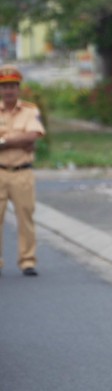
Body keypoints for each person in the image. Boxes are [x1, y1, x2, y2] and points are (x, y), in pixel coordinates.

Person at [0, 64, 45, 277]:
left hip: (22, 172)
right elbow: (25, 139)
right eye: (4, 86)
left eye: (12, 86)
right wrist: (19, 141)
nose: (8, 90)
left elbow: (32, 137)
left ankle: (27, 261)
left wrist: (3, 141)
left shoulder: (30, 110)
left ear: (18, 88)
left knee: (25, 216)